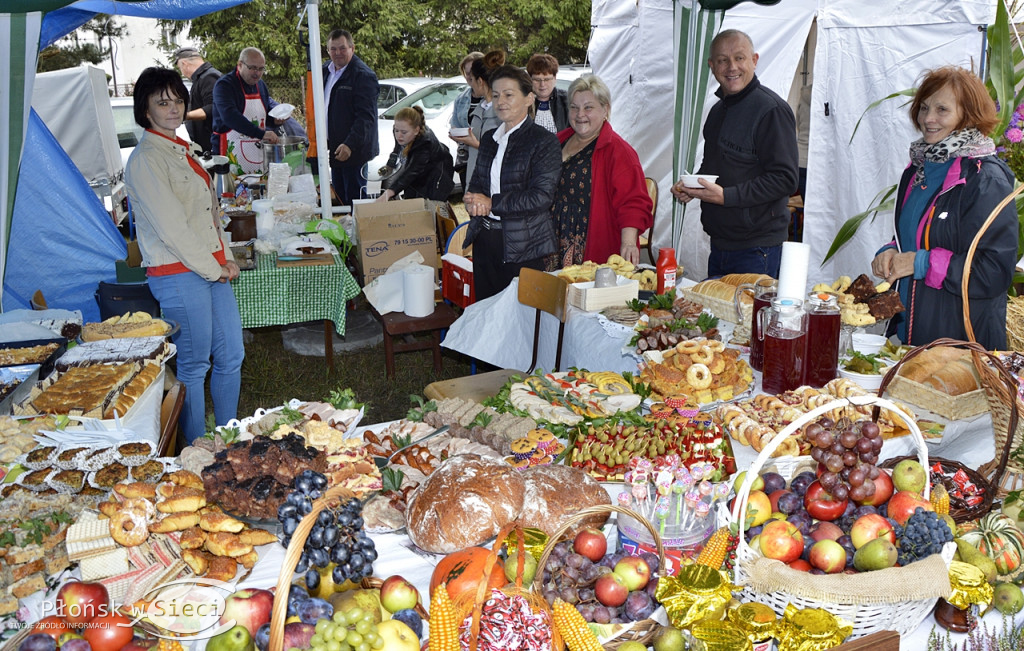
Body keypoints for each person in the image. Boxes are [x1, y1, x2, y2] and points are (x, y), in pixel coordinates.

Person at [124, 67, 244, 443]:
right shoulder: (146, 159)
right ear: (145, 110)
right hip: (178, 273)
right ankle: (196, 451)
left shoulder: (179, 149)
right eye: (162, 102)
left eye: (178, 100)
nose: (173, 109)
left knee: (232, 356)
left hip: (208, 268)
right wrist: (216, 268)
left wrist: (225, 256)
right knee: (194, 366)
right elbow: (173, 229)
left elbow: (209, 215)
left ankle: (227, 439)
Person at [871, 66, 1017, 350]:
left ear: (968, 115)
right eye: (924, 108)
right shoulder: (918, 170)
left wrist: (920, 263)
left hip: (960, 345)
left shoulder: (985, 178)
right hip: (912, 337)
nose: (928, 119)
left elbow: (993, 271)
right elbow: (921, 234)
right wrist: (890, 251)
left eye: (942, 110)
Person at [670, 29, 798, 278]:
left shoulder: (771, 110)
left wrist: (726, 196)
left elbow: (785, 179)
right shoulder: (718, 112)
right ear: (711, 65)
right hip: (720, 244)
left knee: (750, 317)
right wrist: (693, 186)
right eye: (722, 60)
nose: (732, 67)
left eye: (739, 58)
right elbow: (716, 167)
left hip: (758, 249)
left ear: (754, 60)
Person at [463, 65, 562, 300]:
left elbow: (541, 197)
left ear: (529, 98)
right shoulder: (489, 139)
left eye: (509, 95)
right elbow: (478, 181)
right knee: (488, 314)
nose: (500, 102)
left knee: (520, 320)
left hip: (525, 245)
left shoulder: (544, 142)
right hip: (485, 240)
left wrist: (491, 203)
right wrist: (472, 199)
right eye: (495, 95)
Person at [550, 74, 652, 267]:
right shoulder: (557, 142)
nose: (580, 114)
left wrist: (629, 243)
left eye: (588, 107)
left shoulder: (619, 152)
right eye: (574, 107)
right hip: (552, 242)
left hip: (592, 248)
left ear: (605, 109)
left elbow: (634, 202)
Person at [322, 29, 379, 205]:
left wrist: (349, 144)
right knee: (339, 200)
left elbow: (366, 118)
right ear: (327, 50)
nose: (337, 53)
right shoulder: (324, 70)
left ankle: (359, 232)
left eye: (342, 48)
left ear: (352, 48)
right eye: (333, 49)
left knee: (356, 202)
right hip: (335, 150)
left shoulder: (363, 75)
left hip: (354, 152)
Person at [211, 47, 284, 176]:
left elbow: (264, 113)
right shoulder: (225, 85)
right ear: (240, 65)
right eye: (253, 68)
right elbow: (230, 117)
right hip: (230, 154)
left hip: (257, 154)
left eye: (261, 69)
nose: (257, 73)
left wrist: (275, 120)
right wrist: (261, 134)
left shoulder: (261, 85)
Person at [376, 106, 455, 209]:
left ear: (416, 130)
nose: (399, 135)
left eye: (404, 132)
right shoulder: (401, 129)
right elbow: (397, 149)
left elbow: (412, 172)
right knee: (410, 203)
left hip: (436, 176)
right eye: (396, 130)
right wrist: (389, 166)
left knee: (430, 210)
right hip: (417, 174)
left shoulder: (425, 143)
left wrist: (389, 192)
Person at [451, 50, 504, 189]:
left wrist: (475, 144)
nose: (470, 82)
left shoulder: (503, 112)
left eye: (472, 78)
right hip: (475, 180)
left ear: (480, 81)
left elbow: (505, 151)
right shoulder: (481, 108)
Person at [173, 47, 222, 152]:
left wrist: (184, 116)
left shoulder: (209, 77)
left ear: (185, 64)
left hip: (214, 146)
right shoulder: (202, 77)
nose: (182, 73)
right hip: (208, 146)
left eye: (180, 68)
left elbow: (214, 107)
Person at [450, 51, 484, 190]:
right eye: (466, 72)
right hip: (466, 158)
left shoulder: (494, 98)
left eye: (472, 72)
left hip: (484, 156)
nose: (469, 76)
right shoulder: (461, 98)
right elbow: (455, 125)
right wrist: (457, 135)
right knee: (469, 198)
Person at [527, 53, 569, 133]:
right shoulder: (523, 103)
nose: (542, 84)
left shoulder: (567, 101)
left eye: (547, 79)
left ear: (555, 78)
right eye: (537, 80)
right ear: (530, 79)